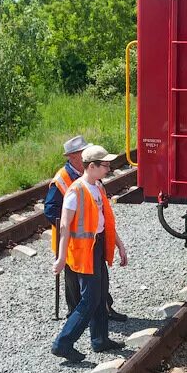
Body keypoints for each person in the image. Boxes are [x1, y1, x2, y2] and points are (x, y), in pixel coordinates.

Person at [51, 145, 128, 361]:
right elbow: (64, 226)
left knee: (101, 294)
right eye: (105, 165)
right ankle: (63, 343)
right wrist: (61, 258)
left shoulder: (98, 187)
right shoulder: (75, 192)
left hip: (98, 246)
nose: (109, 168)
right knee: (90, 299)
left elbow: (105, 222)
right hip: (84, 251)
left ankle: (100, 340)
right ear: (91, 166)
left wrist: (119, 245)